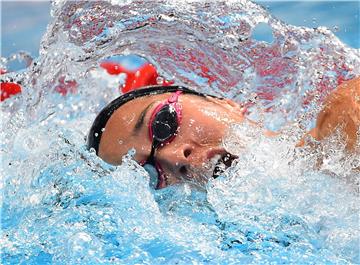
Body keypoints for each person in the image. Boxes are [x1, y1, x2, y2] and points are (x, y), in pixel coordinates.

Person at [87, 77, 360, 189]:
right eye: (147, 173)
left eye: (164, 124)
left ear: (221, 101)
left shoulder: (346, 115)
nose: (174, 159)